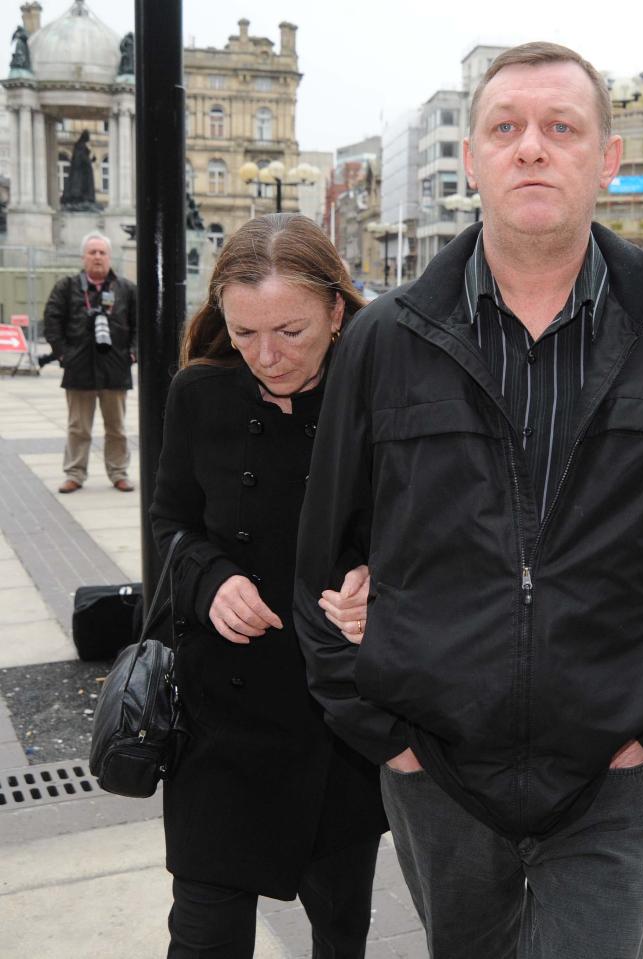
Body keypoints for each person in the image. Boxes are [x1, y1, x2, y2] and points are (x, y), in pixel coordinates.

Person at [294, 42, 643, 959]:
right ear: (474, 160)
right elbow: (325, 551)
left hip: (609, 770)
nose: (532, 147)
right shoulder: (381, 342)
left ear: (604, 158)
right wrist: (383, 733)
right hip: (437, 768)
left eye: (561, 127)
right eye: (506, 128)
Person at [150, 213, 387, 958]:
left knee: (340, 931)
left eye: (289, 330)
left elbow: (427, 526)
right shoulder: (199, 393)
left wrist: (377, 578)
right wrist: (210, 578)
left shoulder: (381, 396)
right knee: (203, 938)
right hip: (221, 719)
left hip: (338, 719)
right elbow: (171, 524)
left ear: (336, 310)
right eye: (244, 332)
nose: (266, 355)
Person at [43, 231, 137, 493]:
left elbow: (139, 326)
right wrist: (63, 354)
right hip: (79, 369)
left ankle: (118, 472)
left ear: (109, 257)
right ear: (83, 257)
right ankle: (74, 473)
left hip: (115, 369)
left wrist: (132, 353)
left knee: (116, 428)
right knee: (78, 427)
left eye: (102, 252)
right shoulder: (67, 287)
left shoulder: (126, 289)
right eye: (92, 252)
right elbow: (52, 321)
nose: (97, 257)